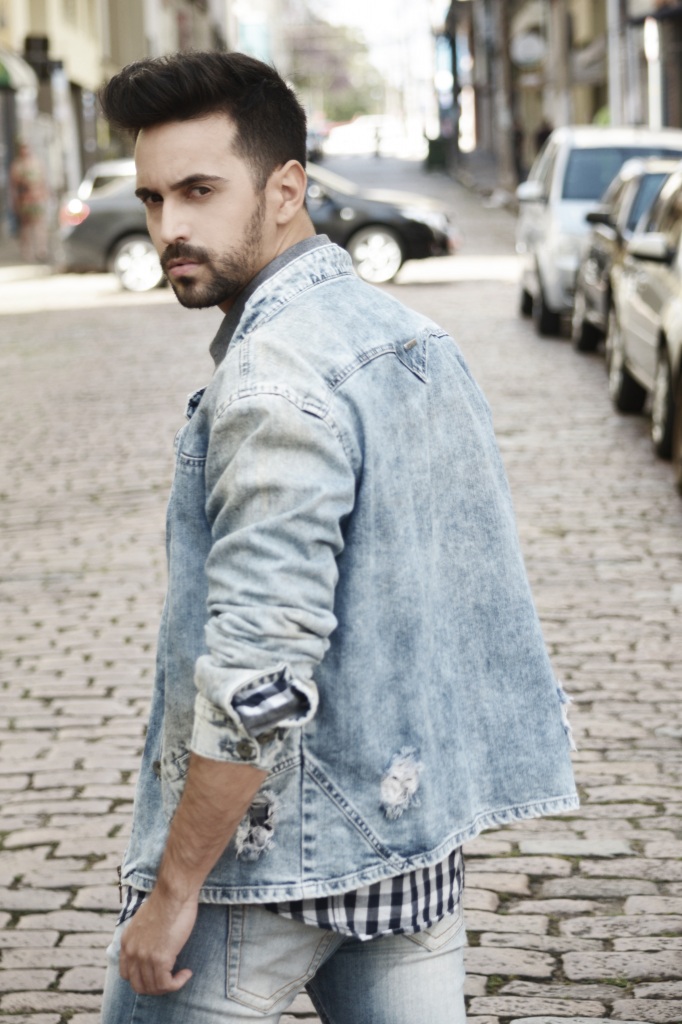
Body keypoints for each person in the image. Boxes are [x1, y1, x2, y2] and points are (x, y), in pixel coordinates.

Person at [98, 51, 578, 1024]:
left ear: (286, 190)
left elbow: (263, 670)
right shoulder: (413, 338)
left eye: (199, 191)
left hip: (262, 868)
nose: (169, 226)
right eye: (152, 198)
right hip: (407, 842)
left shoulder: (274, 378)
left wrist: (175, 887)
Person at [9, 141, 48, 262]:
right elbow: (14, 186)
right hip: (24, 200)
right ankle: (27, 253)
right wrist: (15, 201)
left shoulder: (36, 163)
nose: (25, 151)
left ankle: (41, 251)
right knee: (26, 228)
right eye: (23, 148)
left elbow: (42, 181)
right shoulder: (17, 166)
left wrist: (44, 195)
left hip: (36, 198)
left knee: (39, 225)